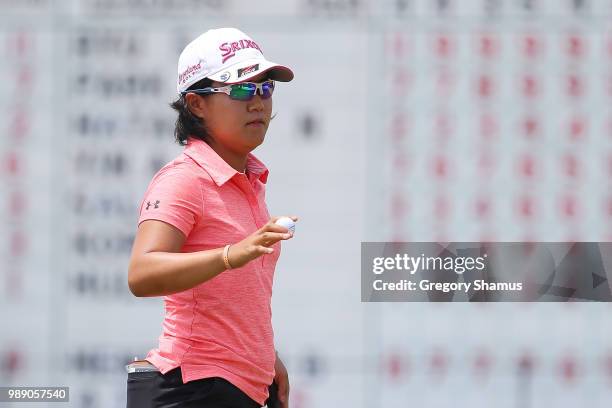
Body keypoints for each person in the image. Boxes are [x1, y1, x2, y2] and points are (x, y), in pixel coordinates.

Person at [126, 27, 296, 408]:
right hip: (190, 387)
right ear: (196, 104)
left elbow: (235, 298)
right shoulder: (185, 179)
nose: (257, 103)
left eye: (264, 89)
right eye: (239, 89)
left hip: (234, 387)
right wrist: (228, 255)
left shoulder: (247, 180)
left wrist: (264, 355)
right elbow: (141, 273)